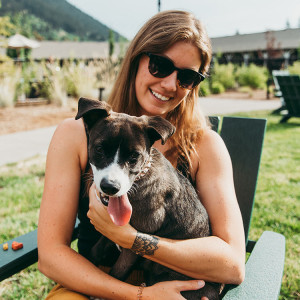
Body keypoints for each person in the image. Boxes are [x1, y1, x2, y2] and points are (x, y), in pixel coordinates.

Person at [38, 10, 245, 300]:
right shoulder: (76, 133)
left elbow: (233, 264)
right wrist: (138, 295)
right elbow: (50, 255)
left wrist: (134, 240)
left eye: (187, 77)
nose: (171, 84)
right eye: (160, 65)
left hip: (174, 286)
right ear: (137, 59)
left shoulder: (204, 146)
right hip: (91, 282)